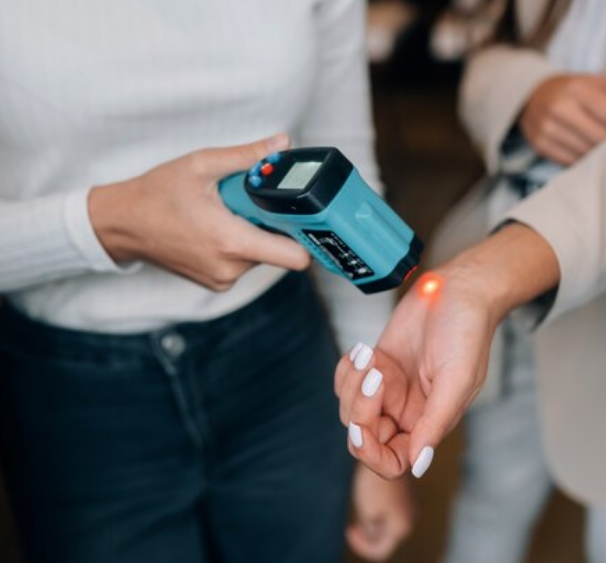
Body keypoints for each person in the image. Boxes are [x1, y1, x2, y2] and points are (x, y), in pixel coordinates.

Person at [336, 0, 606, 562]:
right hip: (512, 308)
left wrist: (483, 279)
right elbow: (479, 42)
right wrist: (525, 94)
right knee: (491, 496)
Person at [0, 2, 411, 562]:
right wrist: (110, 223)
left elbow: (345, 164)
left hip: (283, 366)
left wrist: (377, 409)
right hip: (77, 401)